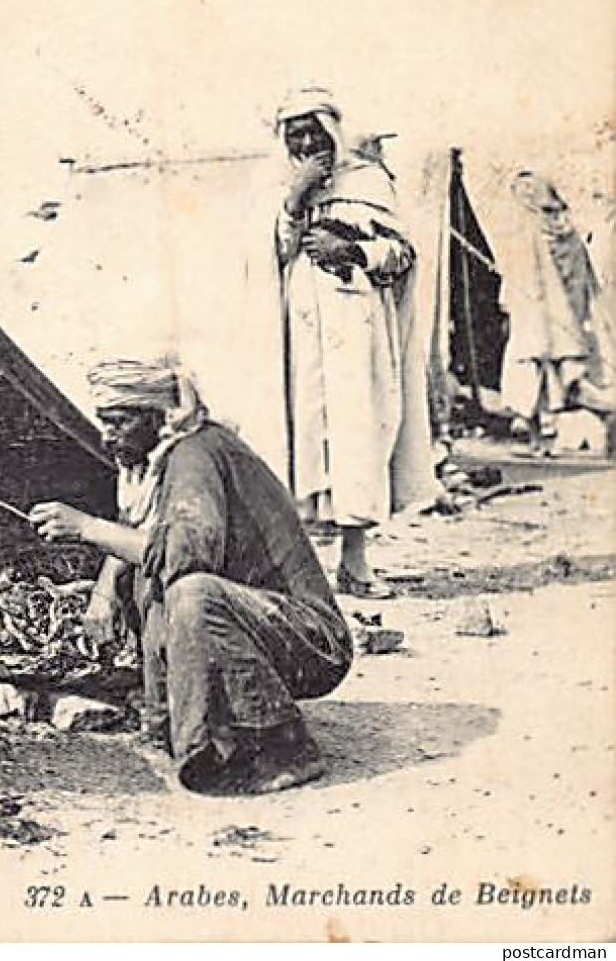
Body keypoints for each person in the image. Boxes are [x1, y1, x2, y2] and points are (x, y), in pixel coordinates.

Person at [29, 358, 352, 795]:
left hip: (312, 639)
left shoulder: (195, 455)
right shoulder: (165, 456)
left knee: (193, 591)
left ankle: (282, 747)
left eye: (119, 423)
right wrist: (104, 591)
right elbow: (144, 531)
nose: (107, 438)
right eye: (104, 423)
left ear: (158, 417)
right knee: (152, 579)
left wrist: (87, 528)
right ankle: (192, 728)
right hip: (268, 622)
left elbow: (188, 553)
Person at [273, 88, 438, 599]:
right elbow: (274, 253)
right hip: (301, 329)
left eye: (312, 130)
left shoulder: (367, 181)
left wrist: (353, 249)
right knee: (303, 436)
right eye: (294, 132)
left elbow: (401, 254)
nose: (305, 140)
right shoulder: (282, 187)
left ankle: (355, 561)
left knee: (356, 433)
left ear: (332, 129)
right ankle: (301, 572)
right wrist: (296, 198)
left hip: (355, 322)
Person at [497, 171, 614, 456]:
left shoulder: (537, 232)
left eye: (528, 191)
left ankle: (542, 440)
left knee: (548, 380)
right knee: (546, 381)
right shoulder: (552, 233)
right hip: (548, 320)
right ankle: (540, 442)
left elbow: (567, 279)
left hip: (545, 320)